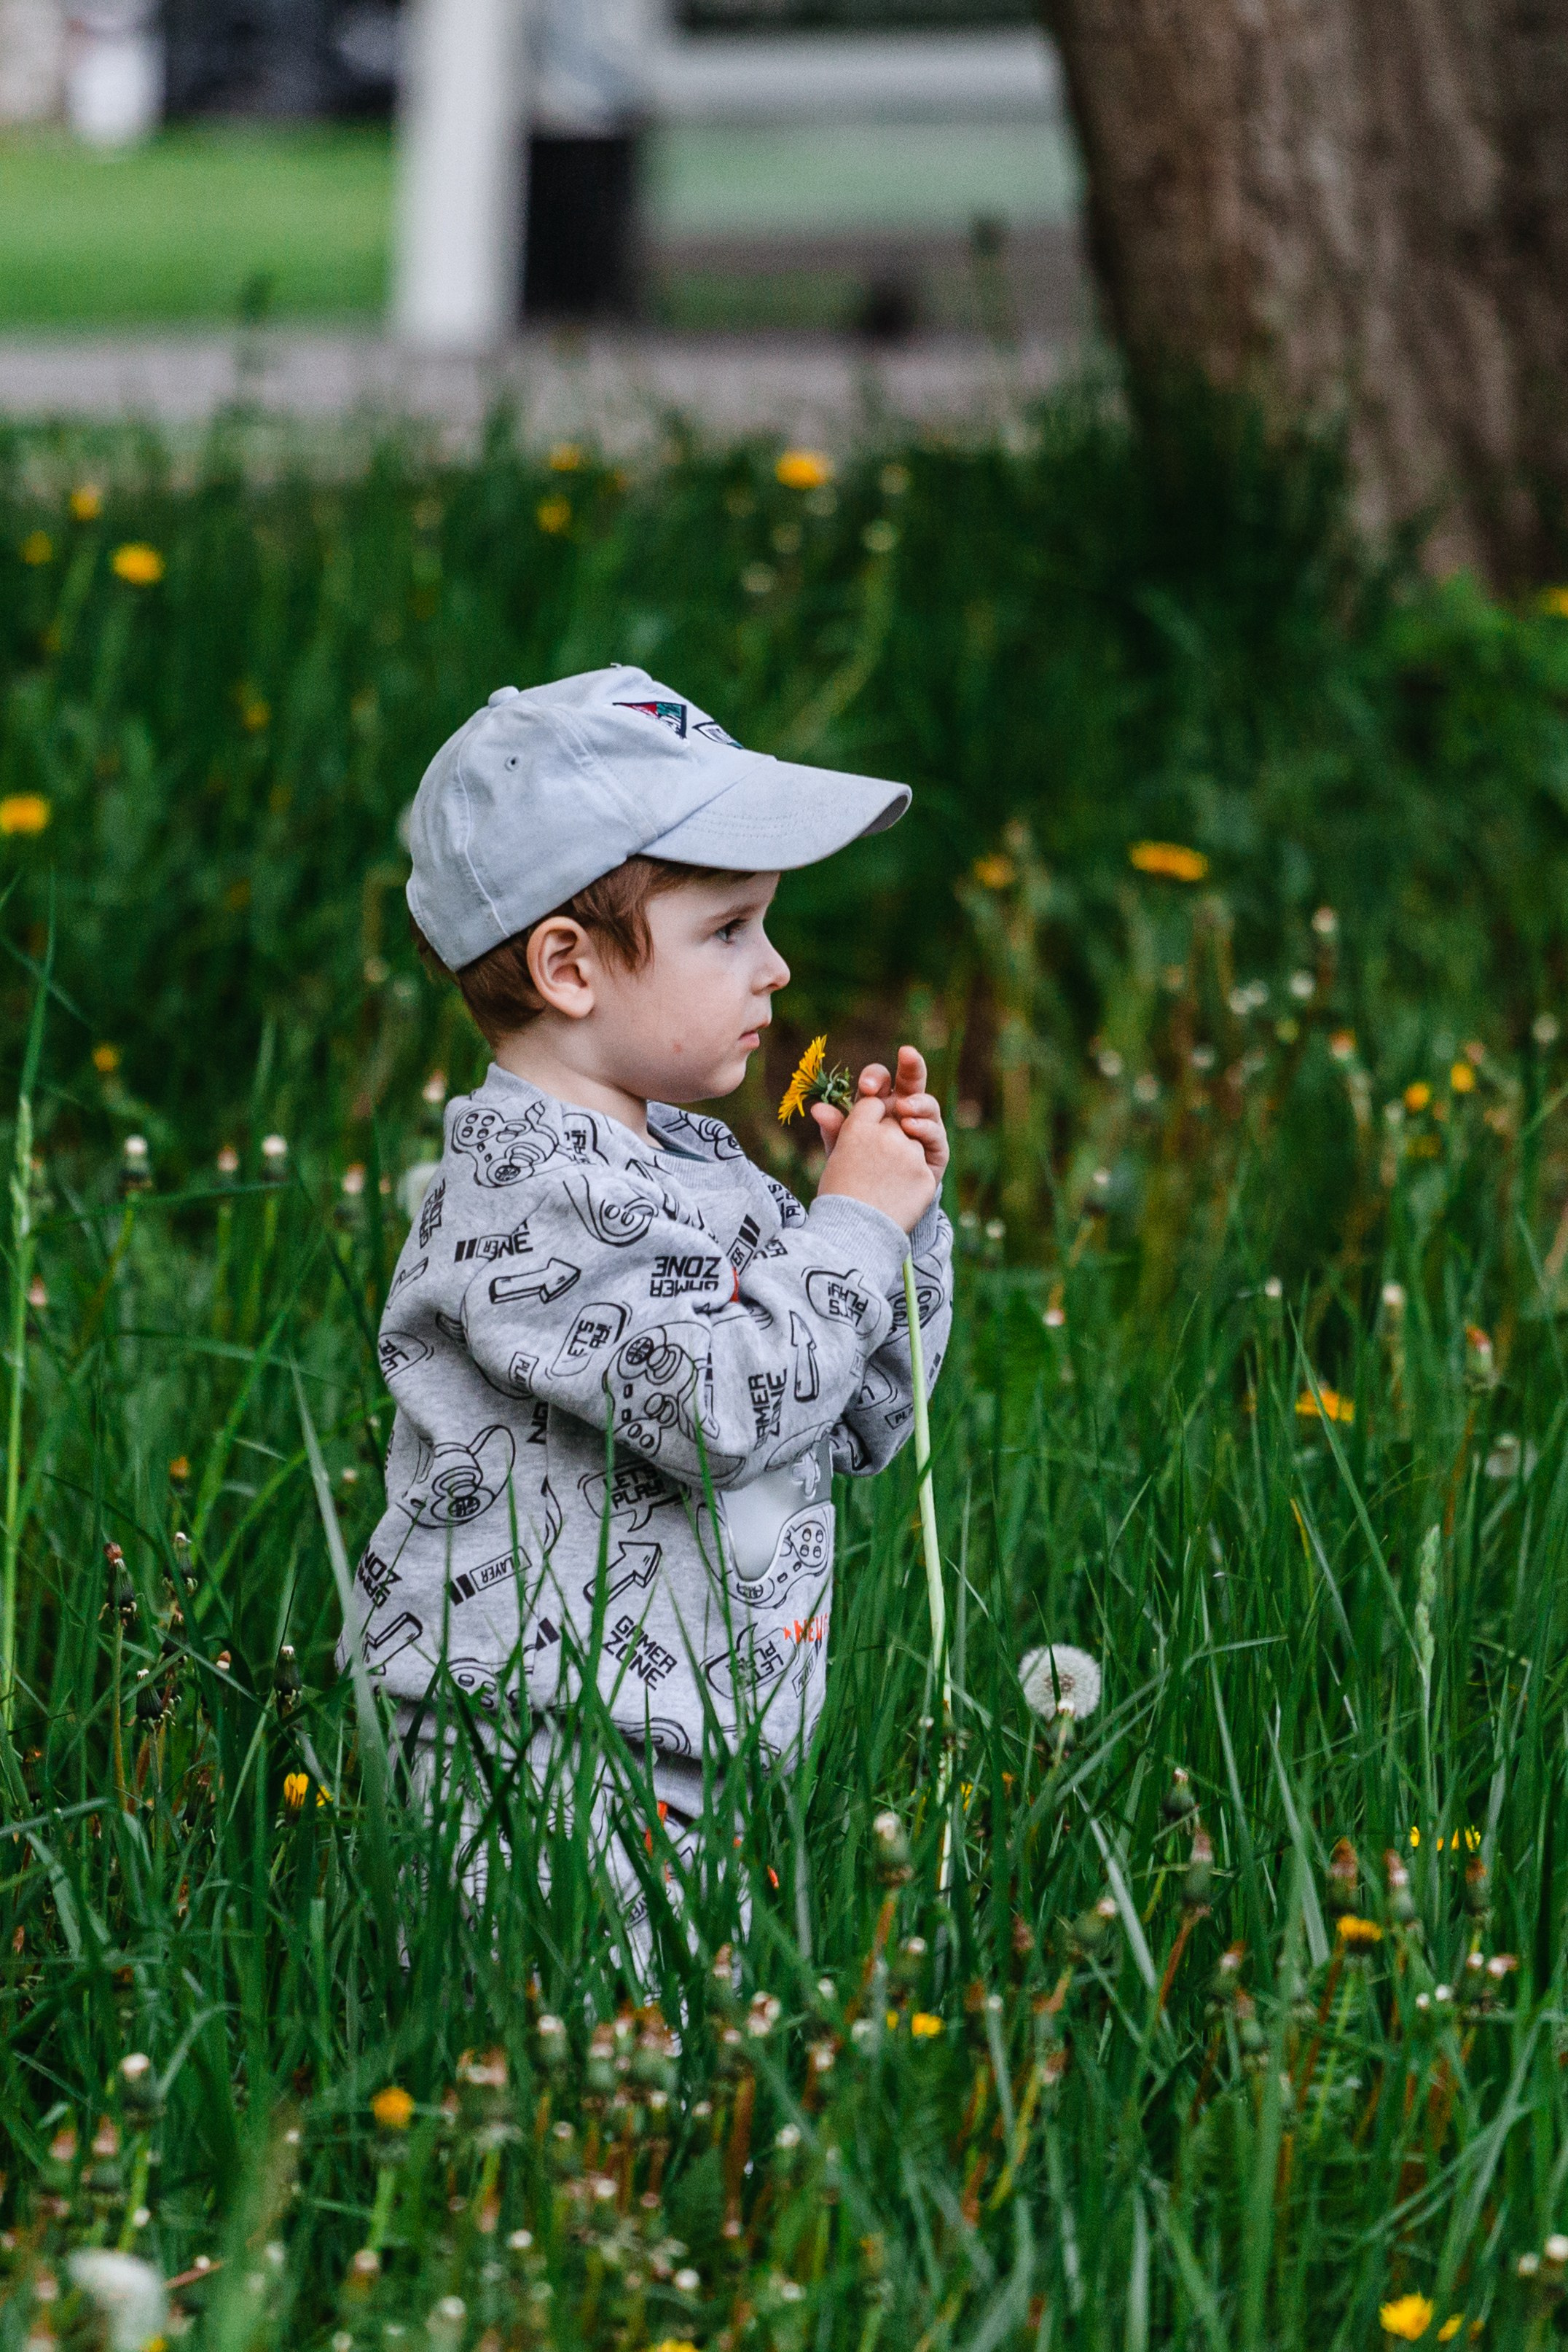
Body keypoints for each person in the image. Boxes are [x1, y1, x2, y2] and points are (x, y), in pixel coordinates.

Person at [340, 664, 952, 1964]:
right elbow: (723, 1412)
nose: (777, 969)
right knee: (566, 2052)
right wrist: (848, 1230)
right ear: (568, 966)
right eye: (729, 931)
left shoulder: (695, 1166)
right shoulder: (530, 1197)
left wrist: (900, 1228)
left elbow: (856, 1414)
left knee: (678, 2054)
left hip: (694, 1748)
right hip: (529, 1755)